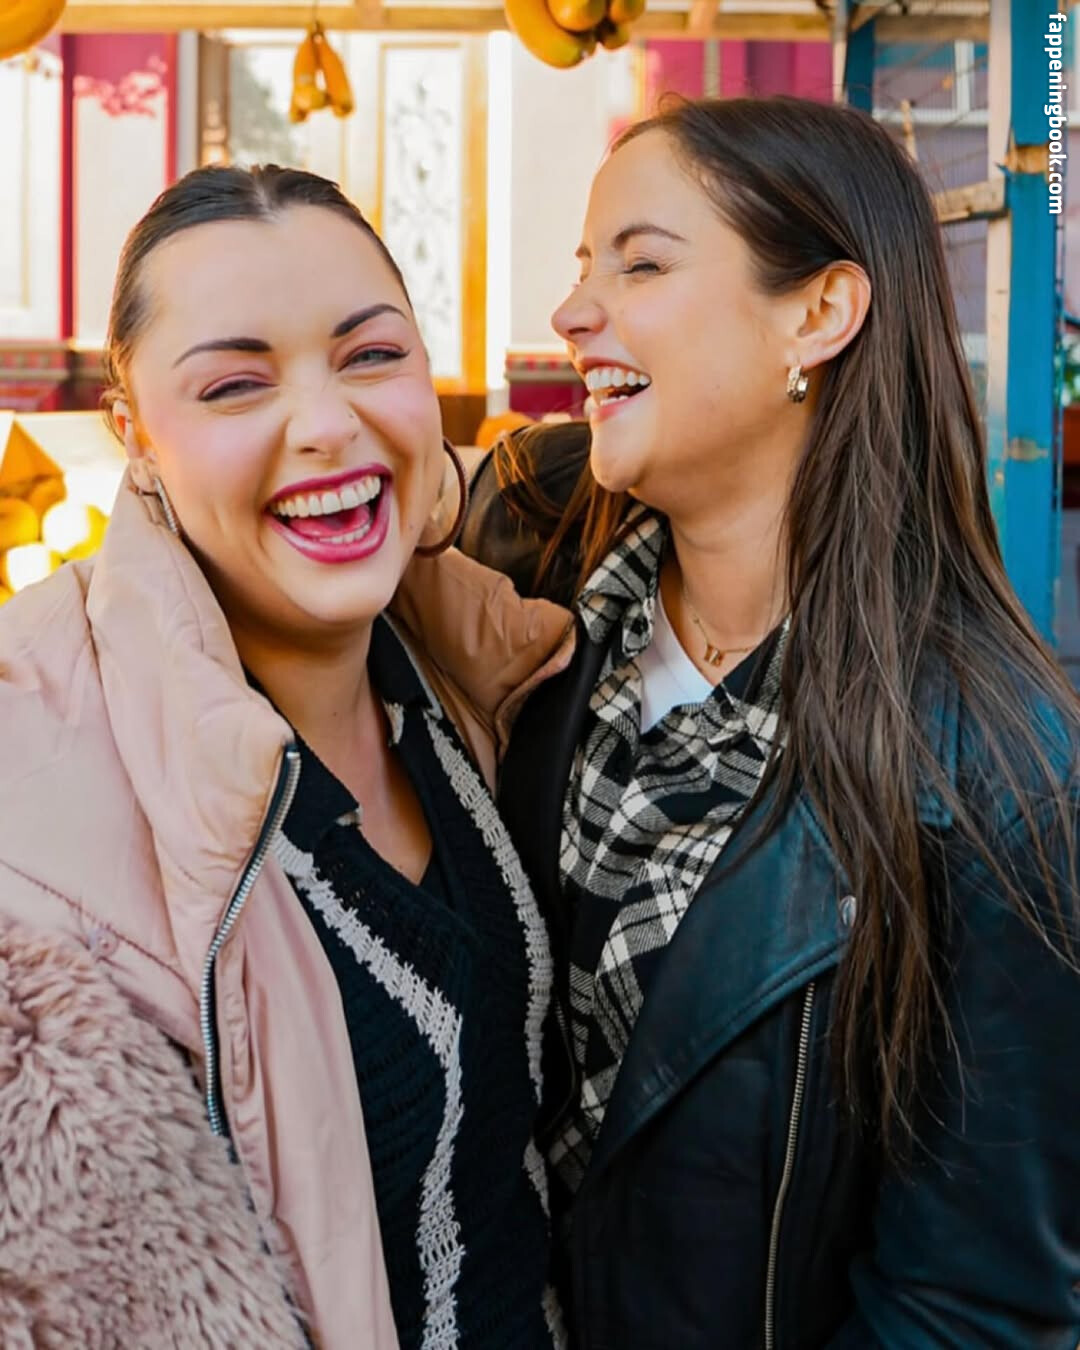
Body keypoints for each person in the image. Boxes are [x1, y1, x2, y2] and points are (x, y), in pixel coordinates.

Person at [459, 96, 1080, 1349]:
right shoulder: (529, 557)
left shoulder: (995, 770)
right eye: (584, 266)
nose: (573, 312)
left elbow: (971, 1304)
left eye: (641, 264)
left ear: (820, 313)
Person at [0, 164, 573, 1350]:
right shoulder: (35, 796)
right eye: (235, 384)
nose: (326, 424)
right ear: (134, 433)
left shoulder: (472, 668)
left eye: (372, 355)